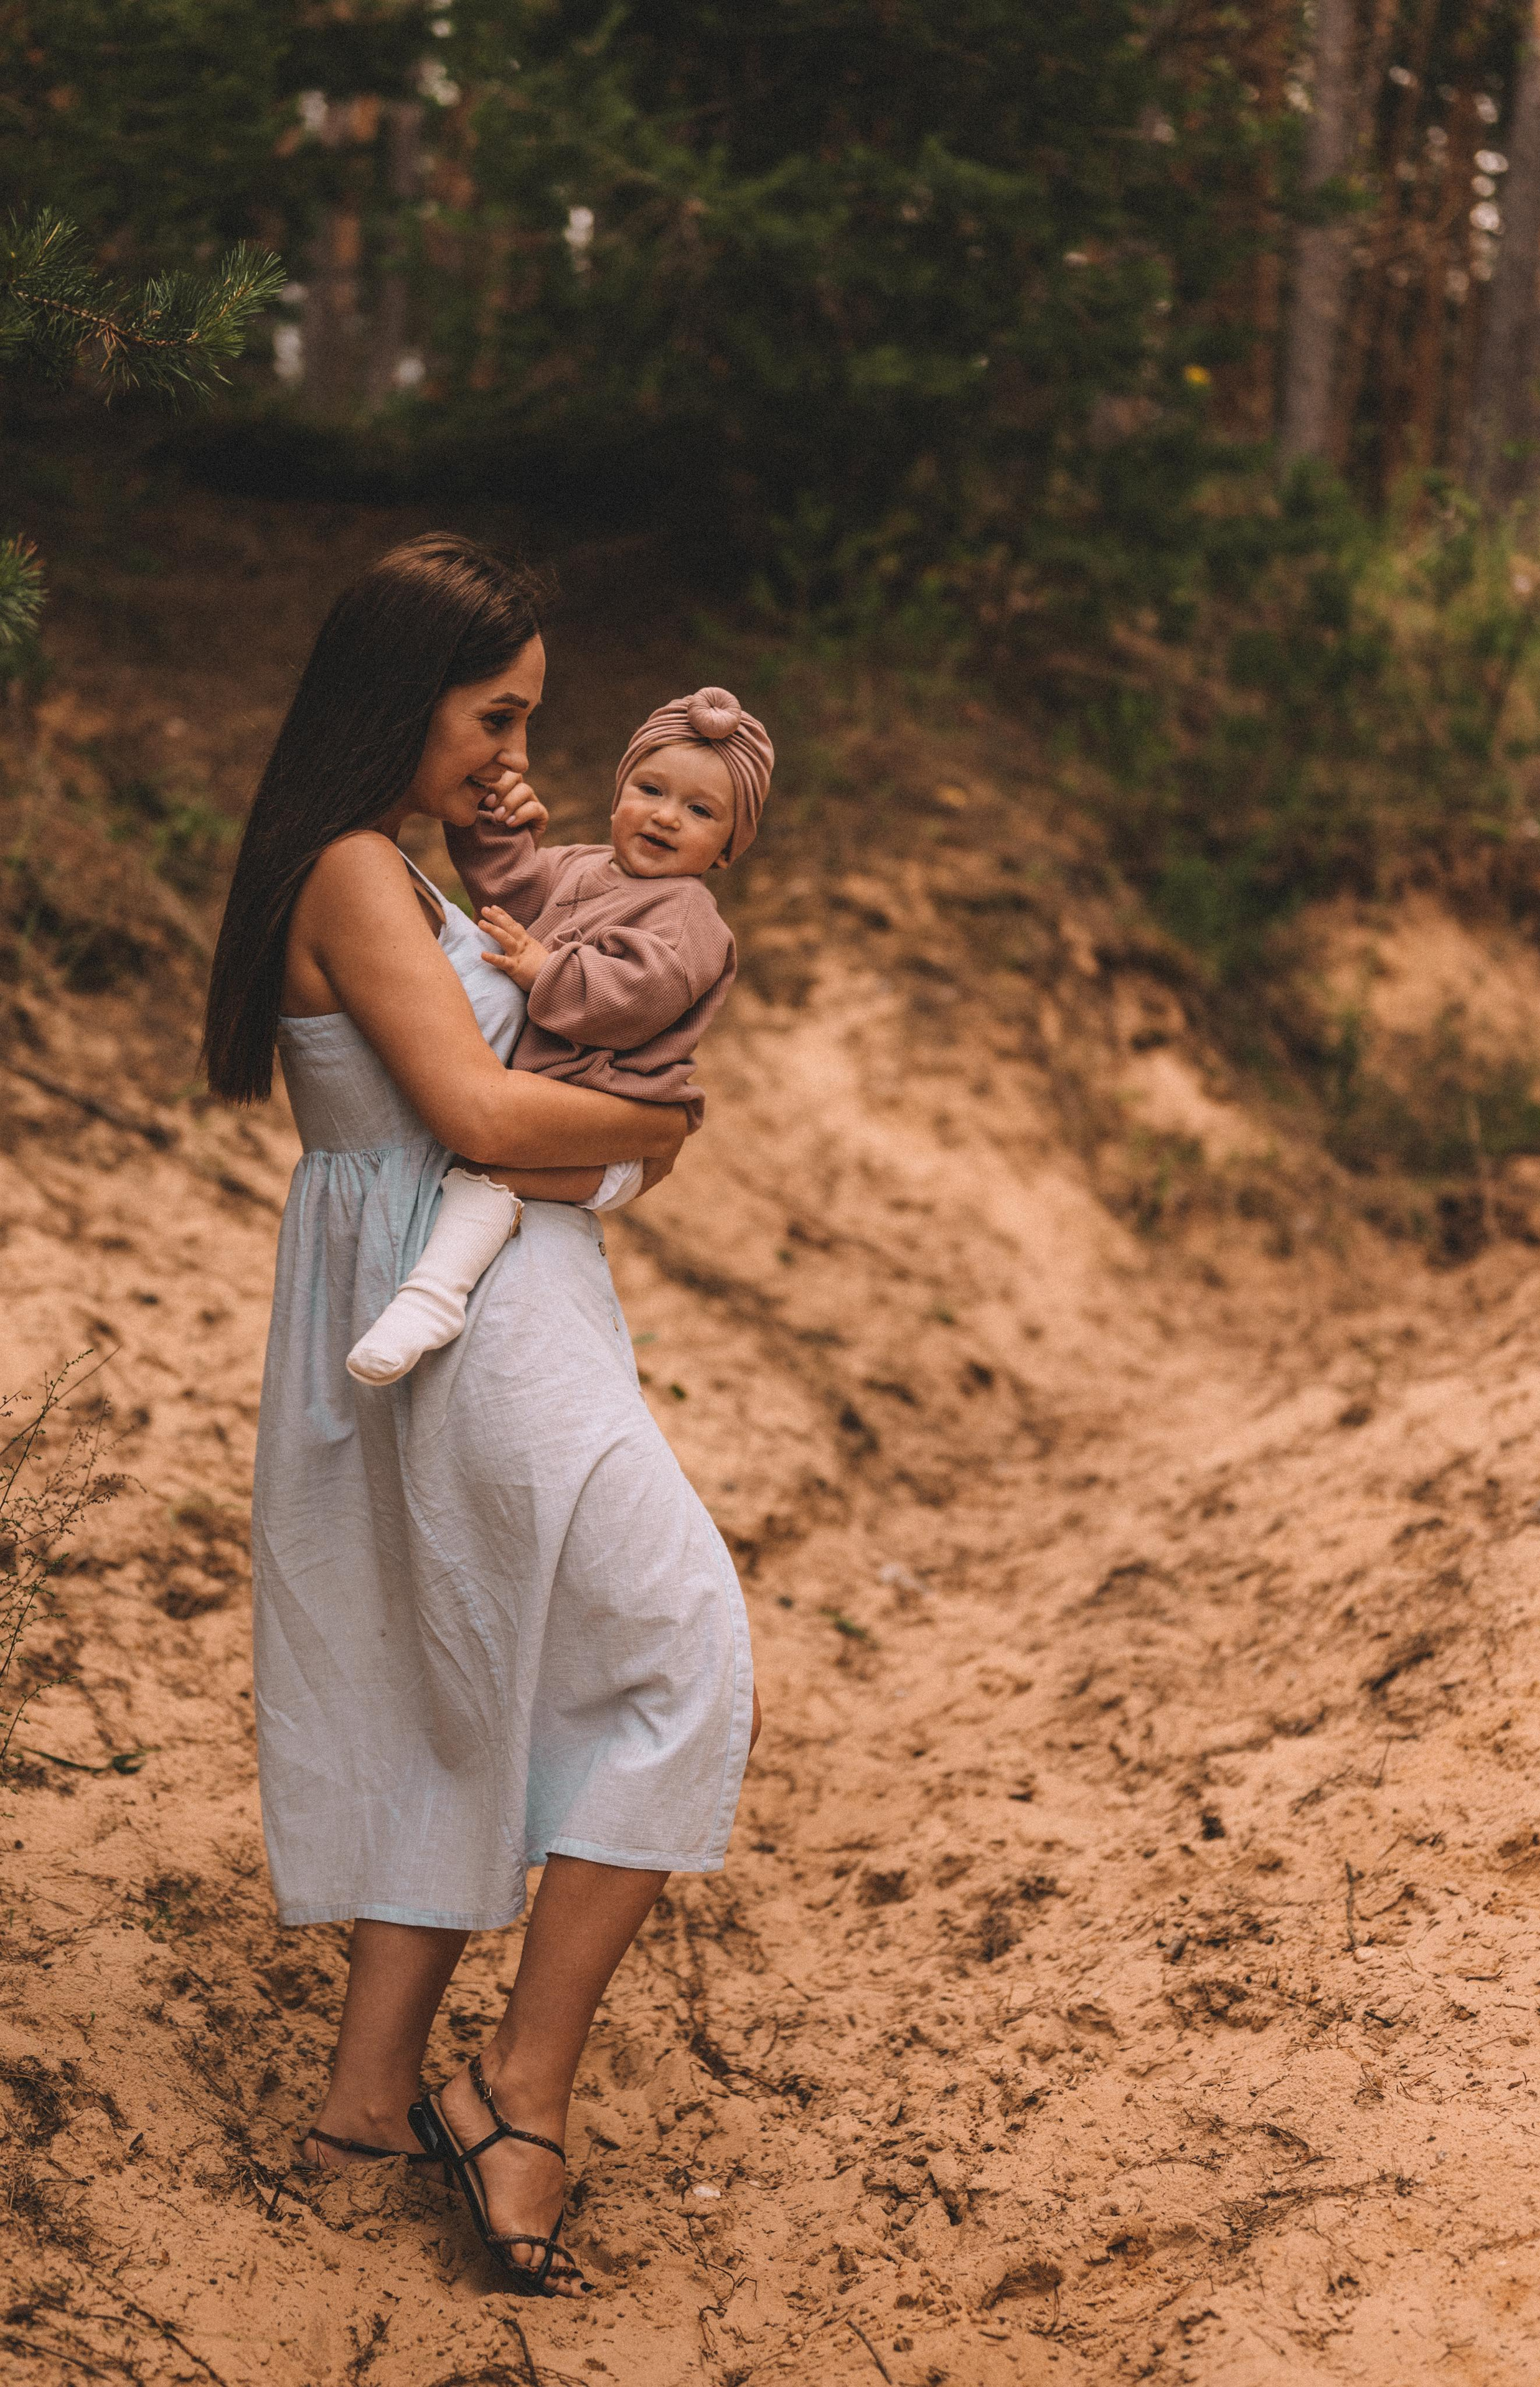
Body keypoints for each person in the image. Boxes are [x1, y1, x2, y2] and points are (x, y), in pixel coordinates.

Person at [202, 533, 760, 2300]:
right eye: (494, 713)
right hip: (477, 1314)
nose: (513, 746)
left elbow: (514, 1028)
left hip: (437, 1293)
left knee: (468, 1666)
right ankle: (516, 2091)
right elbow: (476, 1110)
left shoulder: (387, 861)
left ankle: (374, 2103)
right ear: (406, 697)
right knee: (688, 1651)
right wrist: (652, 1137)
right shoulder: (357, 869)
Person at [343, 683, 774, 1386]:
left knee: (485, 1181)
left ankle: (429, 1303)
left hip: (608, 1125)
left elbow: (636, 998)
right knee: (469, 1174)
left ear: (727, 850)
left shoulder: (690, 916)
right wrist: (497, 822)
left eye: (700, 812)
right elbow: (507, 893)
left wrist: (548, 969)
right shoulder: (579, 865)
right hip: (556, 1109)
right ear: (618, 793)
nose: (666, 817)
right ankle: (433, 1301)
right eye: (651, 789)